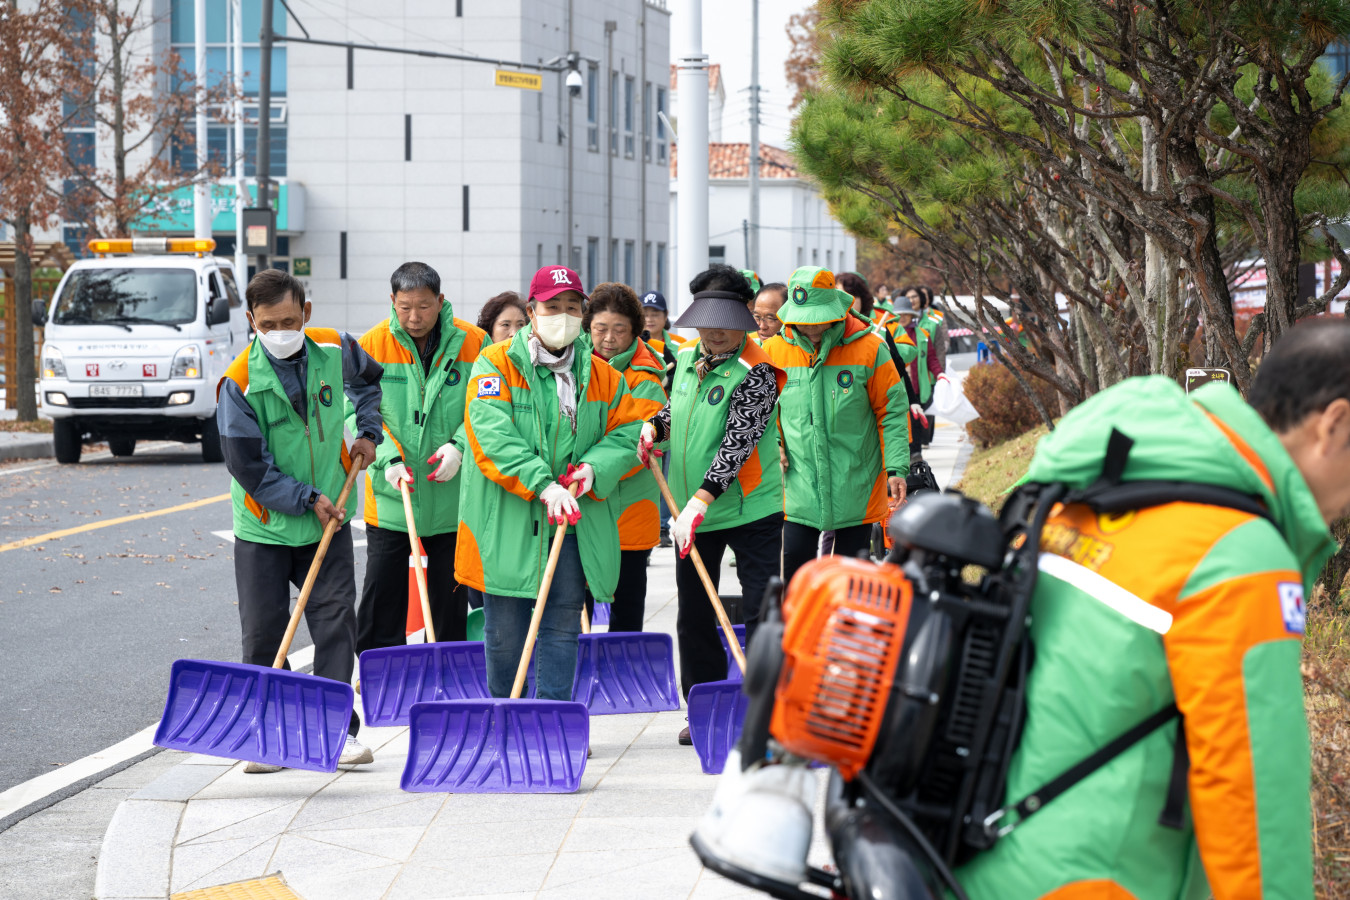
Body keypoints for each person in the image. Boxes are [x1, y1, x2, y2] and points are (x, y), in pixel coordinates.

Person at [954, 318, 1350, 898]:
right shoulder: (1240, 556)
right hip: (1099, 881)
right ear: (1335, 424)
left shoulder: (1111, 481)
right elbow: (1254, 805)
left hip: (980, 859)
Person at [216, 269, 383, 772]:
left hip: (328, 524)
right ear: (251, 321)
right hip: (265, 527)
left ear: (306, 313)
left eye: (290, 319)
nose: (281, 330)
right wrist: (307, 497)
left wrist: (369, 432)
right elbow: (247, 466)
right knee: (264, 634)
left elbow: (370, 384)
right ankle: (272, 735)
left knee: (335, 627)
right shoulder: (239, 381)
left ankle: (338, 732)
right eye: (268, 324)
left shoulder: (336, 348)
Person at [455, 265, 643, 701]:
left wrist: (594, 468)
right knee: (504, 633)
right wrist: (544, 485)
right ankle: (507, 718)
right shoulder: (495, 365)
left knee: (562, 626)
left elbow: (629, 430)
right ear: (531, 311)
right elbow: (491, 436)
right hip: (509, 522)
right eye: (552, 307)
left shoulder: (603, 376)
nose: (562, 315)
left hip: (573, 524)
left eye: (571, 307)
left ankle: (553, 723)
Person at [637, 281, 785, 745]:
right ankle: (701, 705)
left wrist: (702, 500)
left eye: (727, 322)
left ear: (743, 319)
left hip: (749, 507)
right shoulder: (684, 358)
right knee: (695, 610)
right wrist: (654, 426)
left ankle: (766, 707)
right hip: (689, 511)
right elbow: (676, 411)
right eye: (708, 320)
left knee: (762, 606)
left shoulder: (757, 369)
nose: (716, 332)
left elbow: (736, 444)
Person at [352, 262, 487, 652]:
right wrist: (388, 456)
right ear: (392, 301)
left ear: (440, 301)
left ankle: (449, 667)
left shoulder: (474, 343)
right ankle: (379, 668)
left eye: (424, 307)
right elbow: (358, 409)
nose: (414, 317)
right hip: (394, 491)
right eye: (405, 307)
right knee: (382, 593)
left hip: (451, 492)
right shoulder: (371, 346)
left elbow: (487, 407)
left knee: (449, 597)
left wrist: (460, 446)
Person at [764, 267, 909, 586]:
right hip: (798, 482)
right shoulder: (774, 352)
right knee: (795, 570)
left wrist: (897, 467)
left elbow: (892, 411)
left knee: (849, 578)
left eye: (818, 317)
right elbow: (763, 411)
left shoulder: (870, 348)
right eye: (804, 319)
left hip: (855, 480)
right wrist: (774, 442)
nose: (811, 327)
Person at [584, 282, 668, 631]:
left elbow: (640, 442)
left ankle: (625, 675)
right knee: (575, 606)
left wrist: (591, 464)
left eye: (619, 330)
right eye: (600, 329)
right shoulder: (573, 367)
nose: (608, 338)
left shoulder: (647, 377)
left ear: (635, 331)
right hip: (583, 506)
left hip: (629, 509)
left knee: (627, 605)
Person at [892, 292, 942, 447]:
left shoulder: (922, 334)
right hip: (897, 388)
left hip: (918, 388)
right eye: (900, 314)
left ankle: (916, 452)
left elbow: (931, 357)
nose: (903, 317)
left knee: (917, 421)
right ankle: (910, 452)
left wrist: (939, 373)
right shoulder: (889, 335)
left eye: (907, 314)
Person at [641, 290, 687, 356]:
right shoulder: (631, 345)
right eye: (645, 315)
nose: (649, 319)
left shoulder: (681, 345)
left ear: (666, 315)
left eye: (655, 314)